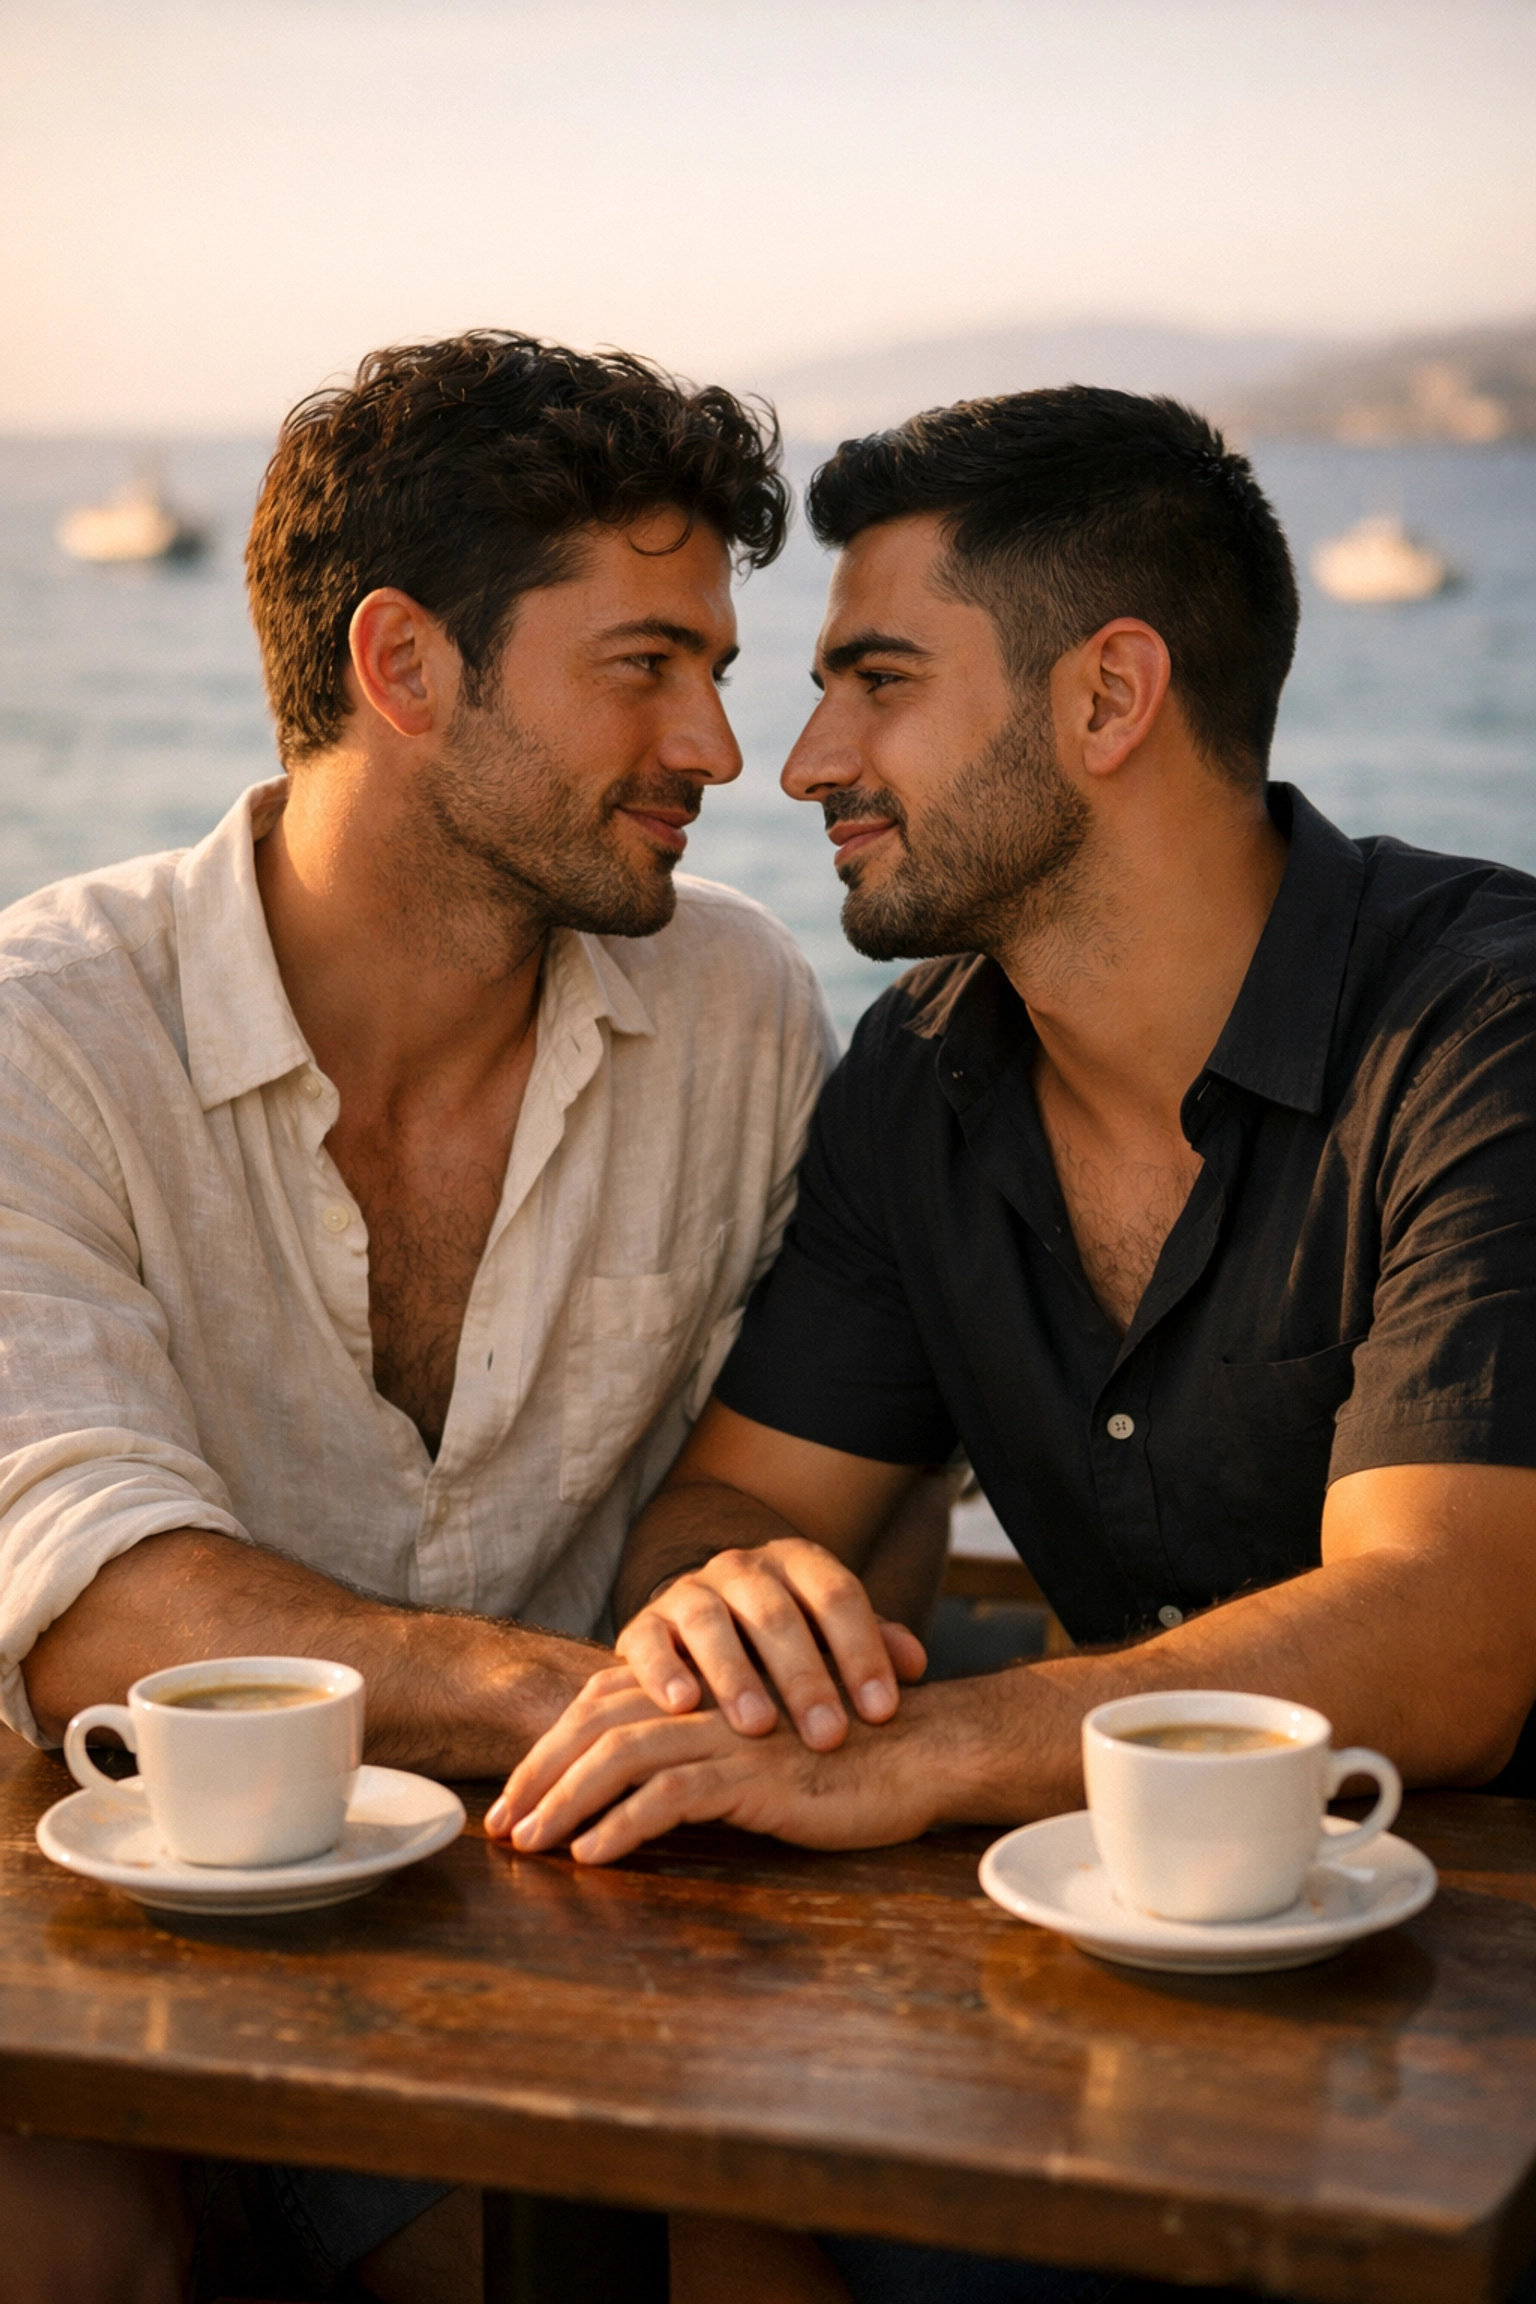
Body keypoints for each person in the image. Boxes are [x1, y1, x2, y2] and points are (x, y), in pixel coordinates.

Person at [494, 386, 1536, 2304]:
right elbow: (732, 1494)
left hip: (1474, 2042)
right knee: (661, 2178)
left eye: (876, 681)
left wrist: (929, 1753)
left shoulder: (1480, 1032)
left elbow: (1456, 1632)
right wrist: (740, 1602)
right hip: (1137, 1996)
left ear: (1109, 699)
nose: (801, 761)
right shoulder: (927, 1077)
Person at [0, 330, 897, 2304]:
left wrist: (750, 1602)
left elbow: (831, 1479)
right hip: (74, 1968)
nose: (720, 755)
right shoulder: (43, 1027)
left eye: (718, 673)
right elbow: (104, 1609)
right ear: (403, 667)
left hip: (526, 1971)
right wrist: (572, 1697)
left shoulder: (740, 1019)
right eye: (644, 666)